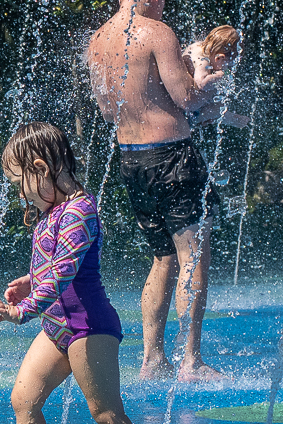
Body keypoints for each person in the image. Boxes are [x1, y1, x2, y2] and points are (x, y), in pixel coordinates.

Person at [0, 122, 148, 424]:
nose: (18, 191)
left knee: (106, 411)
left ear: (40, 168)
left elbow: (63, 272)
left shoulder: (79, 210)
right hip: (58, 325)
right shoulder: (52, 212)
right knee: (24, 399)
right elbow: (52, 267)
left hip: (88, 325)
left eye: (19, 180)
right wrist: (29, 281)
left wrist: (22, 310)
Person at [87, 0, 226, 382]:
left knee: (162, 257)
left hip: (130, 158)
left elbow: (106, 110)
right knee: (192, 256)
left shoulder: (99, 39)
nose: (164, 3)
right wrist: (209, 82)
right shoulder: (157, 33)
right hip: (172, 157)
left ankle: (152, 360)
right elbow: (187, 99)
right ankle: (191, 362)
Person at [183, 25, 250, 128]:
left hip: (184, 106)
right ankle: (232, 119)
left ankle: (208, 117)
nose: (227, 70)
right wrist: (221, 75)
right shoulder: (203, 60)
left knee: (213, 105)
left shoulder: (199, 47)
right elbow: (201, 84)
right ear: (219, 58)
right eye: (228, 66)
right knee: (218, 109)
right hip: (185, 111)